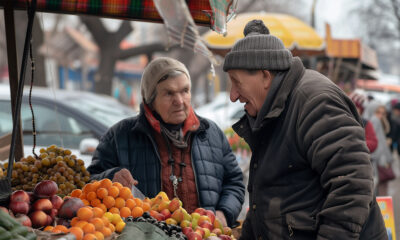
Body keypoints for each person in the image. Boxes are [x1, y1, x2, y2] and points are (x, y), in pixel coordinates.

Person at [223, 20, 387, 239]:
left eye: (236, 82)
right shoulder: (274, 108)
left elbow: (352, 186)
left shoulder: (315, 102)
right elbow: (268, 194)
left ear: (265, 76)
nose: (233, 95)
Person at [87, 57, 245, 227]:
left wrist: (224, 213)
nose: (179, 100)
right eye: (169, 93)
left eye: (185, 91)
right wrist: (111, 177)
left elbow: (234, 181)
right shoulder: (120, 136)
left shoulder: (210, 133)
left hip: (205, 235)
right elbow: (89, 183)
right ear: (150, 100)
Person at [364, 101, 395, 196]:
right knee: (379, 191)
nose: (380, 115)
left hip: (375, 161)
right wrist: (384, 161)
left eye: (383, 113)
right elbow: (378, 145)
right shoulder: (374, 121)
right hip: (377, 162)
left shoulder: (368, 121)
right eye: (378, 112)